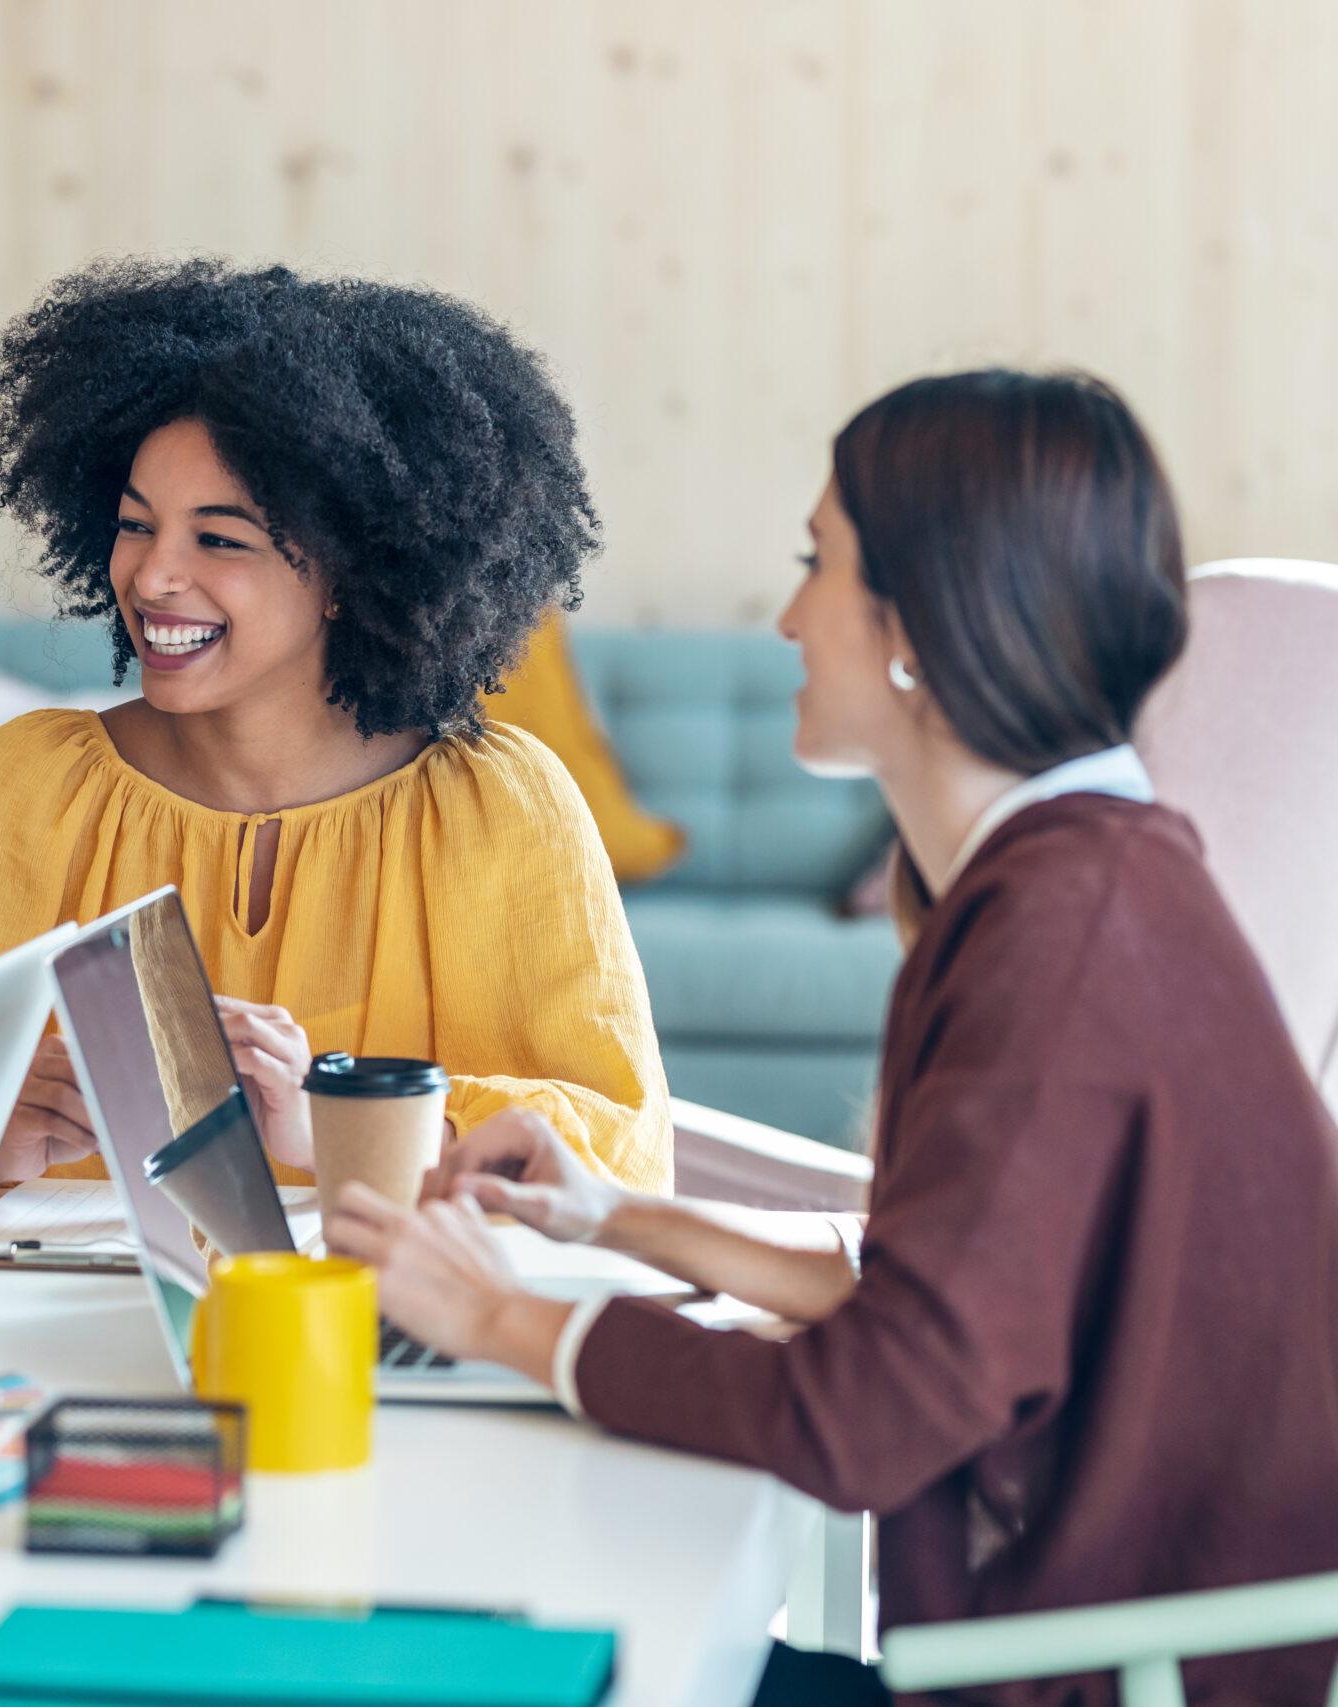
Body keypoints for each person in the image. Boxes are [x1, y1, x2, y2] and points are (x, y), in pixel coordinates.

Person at [328, 370, 1338, 1705]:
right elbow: (937, 1292)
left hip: (1074, 1680)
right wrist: (611, 1216)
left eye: (819, 565)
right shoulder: (1091, 876)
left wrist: (504, 1317)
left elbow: (870, 1413)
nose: (790, 617)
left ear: (920, 620)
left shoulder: (1064, 941)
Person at [0, 258, 672, 1195]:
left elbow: (620, 1150)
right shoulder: (29, 786)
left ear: (348, 576)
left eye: (218, 539)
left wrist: (339, 1118)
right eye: (136, 525)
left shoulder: (500, 806)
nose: (152, 576)